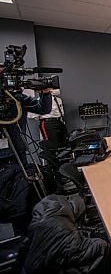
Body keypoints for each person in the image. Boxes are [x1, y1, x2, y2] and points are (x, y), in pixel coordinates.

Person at [0, 63, 53, 235]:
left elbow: (42, 108)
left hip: (18, 154)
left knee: (22, 198)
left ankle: (26, 235)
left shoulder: (16, 98)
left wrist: (45, 93)